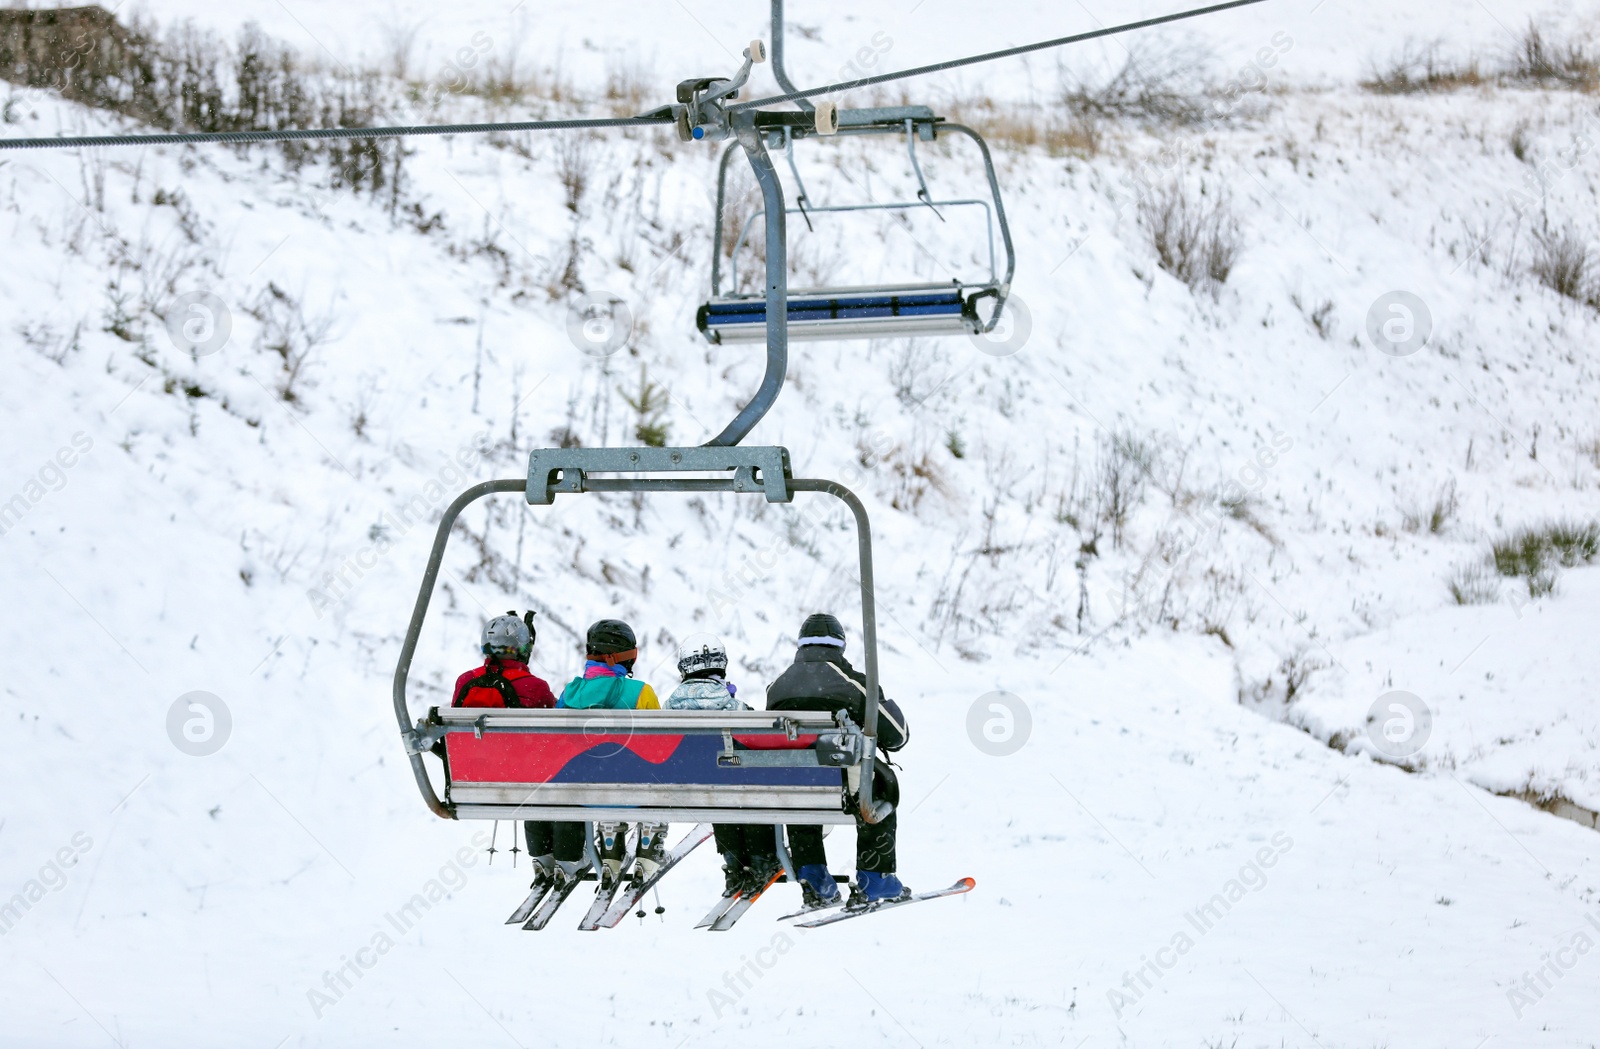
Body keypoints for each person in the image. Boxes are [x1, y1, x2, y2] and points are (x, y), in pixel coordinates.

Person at [766, 612, 911, 907]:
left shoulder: (777, 688)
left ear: (801, 647)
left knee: (801, 786)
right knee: (880, 788)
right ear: (840, 647)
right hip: (842, 786)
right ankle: (876, 878)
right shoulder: (852, 685)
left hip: (795, 787)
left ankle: (814, 878)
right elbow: (897, 737)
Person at [450, 612, 571, 888]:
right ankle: (562, 854)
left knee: (532, 773)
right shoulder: (535, 687)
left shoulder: (465, 681)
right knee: (546, 773)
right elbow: (555, 731)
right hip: (523, 780)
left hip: (472, 781)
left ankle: (541, 857)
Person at [663, 635, 782, 898]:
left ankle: (734, 865)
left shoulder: (669, 706)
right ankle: (761, 858)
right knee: (746, 785)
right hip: (730, 789)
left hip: (689, 787)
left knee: (718, 789)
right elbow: (759, 743)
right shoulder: (734, 706)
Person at [555, 618, 665, 889]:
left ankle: (610, 845)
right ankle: (649, 844)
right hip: (633, 789)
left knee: (600, 778)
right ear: (621, 657)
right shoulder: (640, 692)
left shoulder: (569, 693)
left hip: (580, 789)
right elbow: (660, 745)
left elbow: (555, 744)